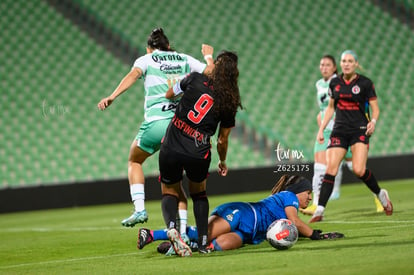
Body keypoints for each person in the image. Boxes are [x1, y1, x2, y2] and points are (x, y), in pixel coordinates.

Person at [97, 28, 215, 230]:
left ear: (149, 48)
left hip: (157, 123)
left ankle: (140, 209)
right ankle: (183, 231)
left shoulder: (146, 59)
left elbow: (132, 76)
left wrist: (112, 96)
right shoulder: (183, 58)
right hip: (182, 128)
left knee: (134, 160)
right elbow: (210, 73)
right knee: (175, 184)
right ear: (168, 46)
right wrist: (209, 56)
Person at [158, 50, 242, 256]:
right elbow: (222, 139)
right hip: (199, 149)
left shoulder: (194, 78)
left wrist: (175, 83)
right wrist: (222, 161)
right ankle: (203, 243)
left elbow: (169, 95)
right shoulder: (230, 101)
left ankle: (171, 228)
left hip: (173, 142)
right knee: (199, 194)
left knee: (169, 189)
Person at [137, 175, 344, 254]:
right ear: (299, 190)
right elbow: (295, 221)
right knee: (203, 234)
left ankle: (177, 247)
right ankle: (151, 234)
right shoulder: (289, 196)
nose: (309, 198)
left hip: (249, 233)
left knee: (221, 245)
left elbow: (296, 220)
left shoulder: (290, 201)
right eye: (308, 194)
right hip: (241, 213)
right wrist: (316, 235)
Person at [309, 50, 393, 223]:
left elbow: (375, 108)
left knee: (359, 170)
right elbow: (331, 108)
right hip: (339, 130)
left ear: (356, 64)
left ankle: (380, 194)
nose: (346, 64)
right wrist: (321, 129)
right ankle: (320, 210)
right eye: (343, 61)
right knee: (330, 168)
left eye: (349, 61)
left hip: (359, 129)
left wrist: (374, 122)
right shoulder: (335, 83)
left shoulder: (365, 83)